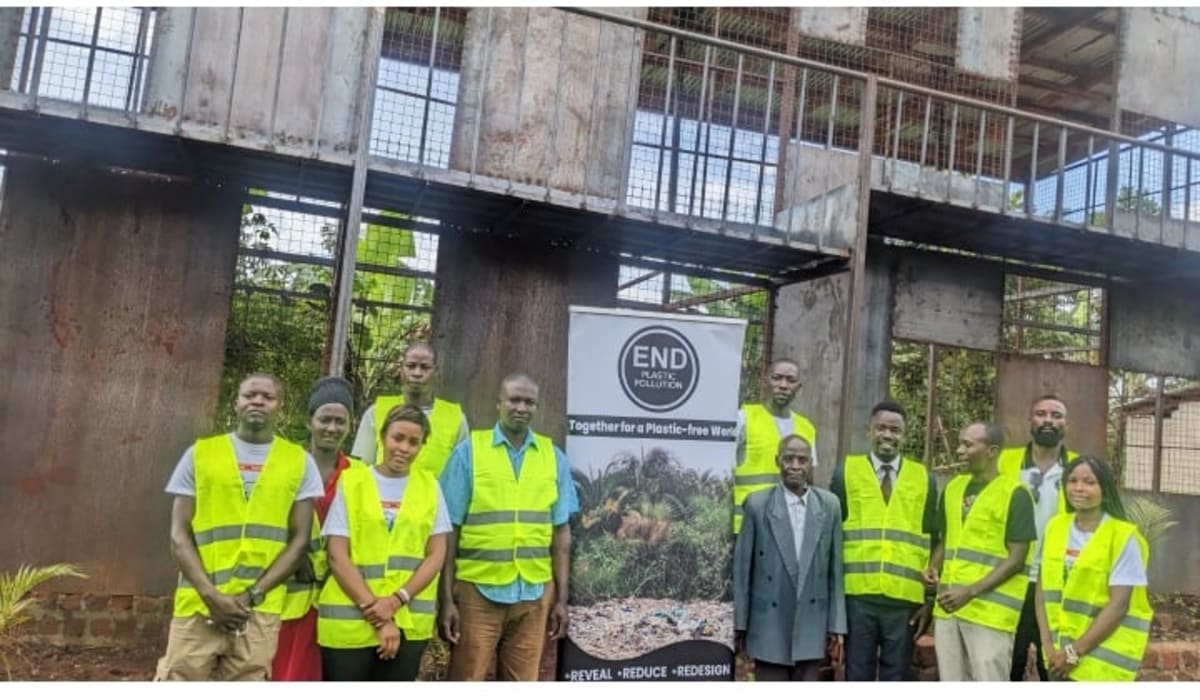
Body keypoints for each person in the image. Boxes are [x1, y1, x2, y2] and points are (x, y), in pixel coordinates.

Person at [156, 373, 324, 681]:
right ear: (236, 403)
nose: (258, 401)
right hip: (198, 604)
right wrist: (211, 597)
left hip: (259, 609)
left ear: (280, 408)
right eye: (250, 395)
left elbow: (299, 542)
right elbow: (179, 535)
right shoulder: (200, 454)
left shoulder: (299, 462)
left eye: (267, 397)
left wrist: (251, 596)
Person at [437, 373, 579, 681]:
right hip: (478, 592)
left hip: (533, 593)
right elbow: (448, 530)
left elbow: (561, 534)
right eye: (514, 399)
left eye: (529, 402)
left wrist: (561, 599)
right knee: (466, 679)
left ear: (536, 407)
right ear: (498, 403)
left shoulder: (553, 458)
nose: (521, 407)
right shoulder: (469, 453)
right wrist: (447, 599)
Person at [316, 404, 452, 681]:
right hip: (348, 623)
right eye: (397, 438)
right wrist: (380, 614)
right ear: (382, 437)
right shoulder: (353, 482)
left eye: (414, 442)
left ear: (422, 446)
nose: (404, 448)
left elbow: (437, 554)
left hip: (409, 622)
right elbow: (337, 556)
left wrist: (397, 600)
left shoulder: (429, 486)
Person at [830, 400, 938, 681]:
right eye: (881, 428)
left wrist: (929, 599)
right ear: (869, 431)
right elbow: (833, 535)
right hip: (858, 598)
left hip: (904, 601)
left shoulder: (925, 479)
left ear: (905, 435)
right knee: (858, 675)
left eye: (895, 429)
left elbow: (933, 538)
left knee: (897, 677)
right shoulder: (846, 472)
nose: (888, 435)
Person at [926, 421, 1036, 682]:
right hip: (949, 608)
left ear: (991, 451)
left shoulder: (1016, 494)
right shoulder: (953, 488)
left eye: (968, 444)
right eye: (960, 443)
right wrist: (933, 566)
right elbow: (947, 539)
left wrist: (970, 592)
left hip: (990, 614)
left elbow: (1017, 559)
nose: (959, 450)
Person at [734, 434, 846, 682]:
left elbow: (835, 572)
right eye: (789, 459)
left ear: (811, 464)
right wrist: (740, 624)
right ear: (777, 461)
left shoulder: (829, 506)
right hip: (769, 623)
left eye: (802, 460)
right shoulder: (757, 505)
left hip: (811, 622)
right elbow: (742, 571)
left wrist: (836, 625)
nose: (795, 466)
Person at [272, 376, 362, 681]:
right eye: (325, 419)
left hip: (340, 601)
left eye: (340, 421)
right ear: (310, 421)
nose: (332, 428)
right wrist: (293, 557)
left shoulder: (361, 475)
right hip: (290, 598)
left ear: (351, 425)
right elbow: (265, 519)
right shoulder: (285, 467)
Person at [1035, 456, 1152, 682]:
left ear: (1105, 490)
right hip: (1057, 657)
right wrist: (1047, 644)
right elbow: (1043, 589)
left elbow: (1118, 605)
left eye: (1089, 482)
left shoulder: (1123, 537)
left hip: (1102, 662)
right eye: (1072, 480)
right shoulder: (1055, 527)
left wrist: (1074, 652)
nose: (1079, 488)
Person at [1000, 394, 1079, 681]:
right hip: (1010, 578)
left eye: (1056, 415)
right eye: (1041, 414)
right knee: (1007, 663)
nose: (1048, 420)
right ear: (1030, 421)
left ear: (1066, 424)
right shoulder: (1004, 463)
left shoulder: (1078, 470)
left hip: (1056, 583)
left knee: (1054, 668)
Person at [351, 341, 467, 478]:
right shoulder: (376, 412)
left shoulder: (455, 417)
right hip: (382, 497)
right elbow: (361, 467)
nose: (417, 373)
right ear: (401, 370)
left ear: (436, 372)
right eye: (411, 366)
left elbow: (459, 475)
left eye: (425, 367)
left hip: (433, 498)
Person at [733, 358, 818, 533]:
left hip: (790, 527)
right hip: (749, 524)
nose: (783, 385)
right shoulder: (744, 418)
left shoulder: (807, 428)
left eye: (790, 380)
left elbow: (809, 481)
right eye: (777, 378)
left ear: (799, 387)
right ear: (765, 381)